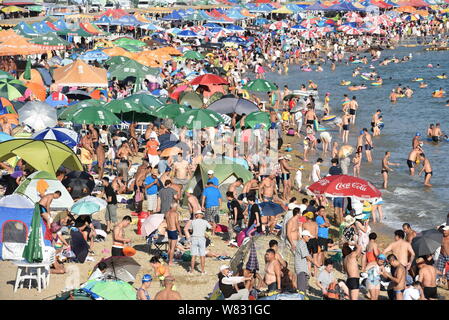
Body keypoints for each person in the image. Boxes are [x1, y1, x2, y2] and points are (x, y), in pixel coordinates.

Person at [436, 224, 449, 290]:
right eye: (444, 231)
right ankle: (440, 282)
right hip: (441, 256)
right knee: (439, 270)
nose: (444, 232)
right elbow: (437, 229)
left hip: (448, 256)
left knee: (448, 273)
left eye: (446, 231)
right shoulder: (441, 236)